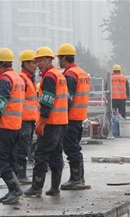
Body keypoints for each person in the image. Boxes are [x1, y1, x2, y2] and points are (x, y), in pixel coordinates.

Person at [24, 46, 68, 197]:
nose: (37, 64)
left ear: (49, 60)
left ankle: (36, 188)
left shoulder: (49, 77)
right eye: (36, 61)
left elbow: (47, 102)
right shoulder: (59, 75)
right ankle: (54, 187)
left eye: (40, 61)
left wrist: (41, 122)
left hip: (51, 123)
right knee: (56, 155)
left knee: (41, 154)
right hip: (62, 122)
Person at [0, 47, 25, 205]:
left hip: (3, 127)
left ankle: (15, 190)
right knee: (11, 160)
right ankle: (13, 191)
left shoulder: (3, 79)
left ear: (0, 64)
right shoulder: (18, 78)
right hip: (15, 127)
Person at [57, 43, 91, 191]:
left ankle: (76, 179)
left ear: (64, 58)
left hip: (70, 117)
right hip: (80, 116)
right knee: (75, 147)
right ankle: (79, 177)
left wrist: (60, 116)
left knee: (71, 148)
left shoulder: (70, 75)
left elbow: (67, 99)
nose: (58, 60)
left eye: (59, 57)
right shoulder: (82, 72)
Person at [15, 49, 39, 184]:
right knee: (22, 148)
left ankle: (21, 174)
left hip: (29, 120)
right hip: (23, 120)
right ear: (25, 64)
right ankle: (21, 175)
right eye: (33, 62)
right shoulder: (23, 79)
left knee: (27, 147)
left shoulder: (30, 79)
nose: (35, 65)